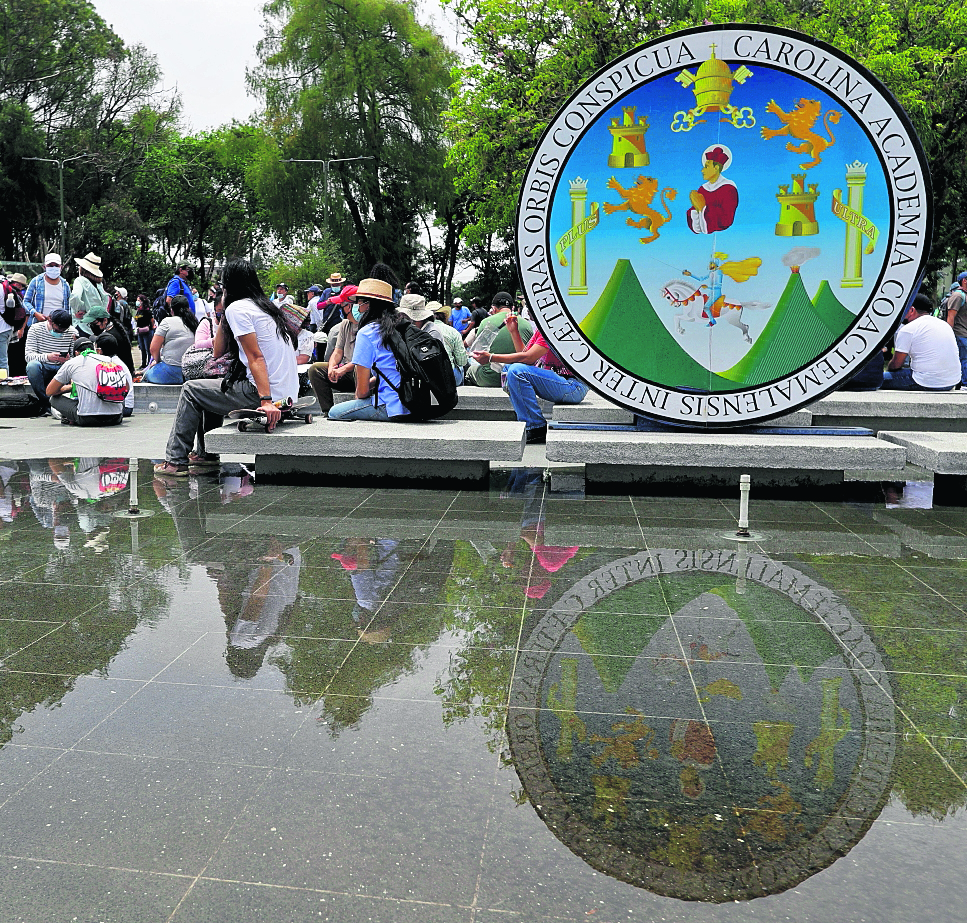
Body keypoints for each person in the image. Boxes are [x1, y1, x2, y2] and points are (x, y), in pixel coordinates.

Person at [154, 258, 299, 476]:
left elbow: (255, 357)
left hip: (265, 394)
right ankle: (205, 455)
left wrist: (266, 401)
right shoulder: (266, 308)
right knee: (209, 388)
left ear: (227, 285)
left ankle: (175, 461)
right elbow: (218, 351)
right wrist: (223, 313)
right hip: (287, 392)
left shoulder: (239, 308)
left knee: (191, 390)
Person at [473, 313, 588, 443]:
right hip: (560, 381)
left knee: (516, 371)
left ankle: (535, 426)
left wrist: (491, 357)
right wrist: (513, 331)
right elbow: (525, 357)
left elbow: (528, 358)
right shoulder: (542, 327)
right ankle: (527, 417)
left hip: (573, 386)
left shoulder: (554, 327)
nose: (527, 310)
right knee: (509, 369)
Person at [328, 278, 409, 422]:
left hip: (391, 407)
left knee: (334, 412)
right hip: (413, 401)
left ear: (367, 305)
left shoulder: (367, 332)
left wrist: (359, 395)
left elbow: (362, 392)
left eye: (358, 303)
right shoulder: (401, 326)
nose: (356, 308)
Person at [46, 333, 133, 426]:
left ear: (76, 353)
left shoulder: (72, 362)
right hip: (116, 417)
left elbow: (49, 391)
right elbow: (126, 388)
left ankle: (72, 417)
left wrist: (71, 387)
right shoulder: (110, 361)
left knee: (54, 399)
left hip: (87, 418)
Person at [882, 292, 961, 391]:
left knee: (876, 378)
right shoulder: (944, 325)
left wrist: (889, 369)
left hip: (925, 382)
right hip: (951, 382)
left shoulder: (908, 329)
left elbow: (896, 365)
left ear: (911, 310)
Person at [307, 286, 360, 413]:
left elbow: (364, 360)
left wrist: (344, 369)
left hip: (362, 373)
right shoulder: (344, 325)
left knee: (360, 368)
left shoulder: (369, 326)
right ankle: (328, 410)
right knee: (315, 369)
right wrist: (332, 368)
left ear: (350, 306)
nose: (341, 308)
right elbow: (337, 351)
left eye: (342, 304)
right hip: (346, 371)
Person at [466, 291, 533, 386]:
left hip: (490, 377)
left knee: (470, 370)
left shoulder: (486, 322)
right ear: (512, 307)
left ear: (493, 308)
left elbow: (478, 353)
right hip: (519, 377)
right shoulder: (526, 324)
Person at [25, 308, 77, 414]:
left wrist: (68, 360)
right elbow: (28, 356)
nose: (61, 332)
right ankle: (46, 402)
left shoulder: (72, 332)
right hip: (43, 366)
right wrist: (48, 357)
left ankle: (58, 402)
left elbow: (75, 358)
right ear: (50, 321)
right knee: (32, 366)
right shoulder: (35, 329)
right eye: (58, 330)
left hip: (62, 367)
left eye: (64, 330)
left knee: (74, 367)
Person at [142, 294, 198, 383]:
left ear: (171, 310)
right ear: (188, 308)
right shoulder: (195, 323)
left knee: (146, 376)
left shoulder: (167, 322)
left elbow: (153, 348)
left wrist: (157, 361)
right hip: (191, 372)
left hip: (170, 371)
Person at [686, 144, 738, 234]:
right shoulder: (702, 189)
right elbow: (694, 210)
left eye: (706, 167)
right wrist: (696, 207)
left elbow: (726, 219)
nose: (702, 170)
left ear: (716, 168)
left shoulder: (728, 189)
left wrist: (703, 207)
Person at [78, 304, 135, 374]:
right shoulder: (113, 330)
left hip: (118, 373)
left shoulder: (110, 337)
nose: (92, 326)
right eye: (90, 324)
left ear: (105, 320)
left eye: (94, 323)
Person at [425, 300, 469, 384]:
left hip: (426, 377)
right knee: (461, 368)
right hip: (449, 376)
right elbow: (462, 361)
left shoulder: (420, 331)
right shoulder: (453, 332)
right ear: (444, 315)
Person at [22, 253, 70, 326]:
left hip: (60, 326)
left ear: (61, 267)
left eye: (56, 265)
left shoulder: (65, 285)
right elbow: (26, 301)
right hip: (38, 325)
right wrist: (35, 313)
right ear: (44, 267)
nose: (53, 268)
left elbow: (69, 307)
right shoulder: (36, 282)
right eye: (50, 265)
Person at [70, 252, 109, 324]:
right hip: (96, 326)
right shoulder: (99, 284)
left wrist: (76, 310)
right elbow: (106, 301)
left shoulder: (80, 280)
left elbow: (75, 296)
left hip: (82, 324)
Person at [1, 273, 28, 377]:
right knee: (5, 358)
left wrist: (21, 329)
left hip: (9, 329)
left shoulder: (10, 292)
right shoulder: (15, 294)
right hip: (9, 329)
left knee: (6, 358)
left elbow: (26, 312)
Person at [944, 272, 967, 386]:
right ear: (964, 280)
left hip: (964, 334)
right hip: (959, 333)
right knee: (964, 359)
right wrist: (949, 335)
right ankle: (964, 384)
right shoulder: (958, 295)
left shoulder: (964, 295)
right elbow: (950, 316)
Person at [134, 294, 156, 370]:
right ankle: (143, 364)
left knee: (148, 349)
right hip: (140, 332)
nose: (137, 302)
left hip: (147, 331)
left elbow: (151, 320)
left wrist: (152, 326)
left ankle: (149, 363)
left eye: (139, 300)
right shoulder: (138, 311)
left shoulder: (147, 311)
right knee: (142, 348)